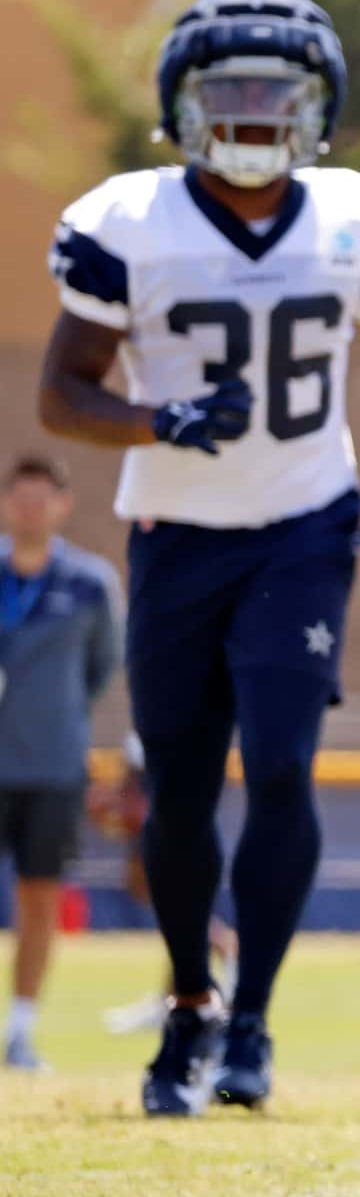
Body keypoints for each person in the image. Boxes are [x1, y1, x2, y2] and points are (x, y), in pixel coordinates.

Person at [40, 0, 360, 1117]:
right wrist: (152, 420)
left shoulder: (354, 218)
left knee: (277, 763)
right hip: (175, 532)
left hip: (304, 528)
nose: (258, 112)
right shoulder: (128, 221)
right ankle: (186, 1004)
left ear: (320, 105)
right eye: (233, 90)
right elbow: (62, 392)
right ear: (184, 103)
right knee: (173, 789)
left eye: (280, 91)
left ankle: (253, 1015)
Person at [0, 455, 122, 1072]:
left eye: (40, 497)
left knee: (39, 898)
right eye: (18, 497)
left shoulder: (89, 583)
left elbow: (103, 667)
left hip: (51, 769)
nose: (29, 508)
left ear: (61, 504)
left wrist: (57, 714)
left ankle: (19, 1031)